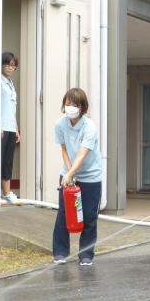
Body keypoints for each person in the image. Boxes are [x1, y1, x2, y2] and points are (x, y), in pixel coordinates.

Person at [52, 88, 102, 267]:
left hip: (90, 176)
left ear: (83, 107)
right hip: (68, 173)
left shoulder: (89, 127)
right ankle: (60, 252)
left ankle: (86, 254)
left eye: (75, 104)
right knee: (64, 213)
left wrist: (72, 172)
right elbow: (64, 148)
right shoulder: (60, 124)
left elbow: (82, 154)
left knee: (89, 216)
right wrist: (68, 172)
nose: (71, 107)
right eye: (68, 104)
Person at [0, 52, 20, 204]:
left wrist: (16, 129)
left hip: (11, 128)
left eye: (13, 65)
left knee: (8, 161)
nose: (10, 68)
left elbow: (11, 109)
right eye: (7, 64)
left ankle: (6, 193)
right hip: (1, 128)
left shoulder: (10, 83)